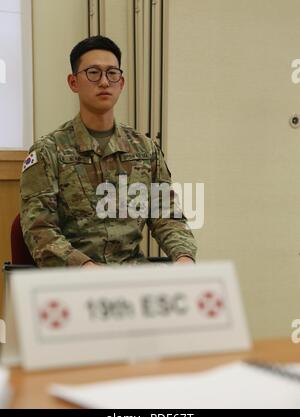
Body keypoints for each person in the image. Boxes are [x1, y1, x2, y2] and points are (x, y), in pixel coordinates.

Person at [20, 36, 197, 268]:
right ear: (73, 82)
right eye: (93, 72)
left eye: (112, 73)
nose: (104, 82)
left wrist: (184, 257)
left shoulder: (144, 149)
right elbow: (39, 230)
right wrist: (85, 267)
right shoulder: (48, 152)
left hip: (132, 278)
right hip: (73, 281)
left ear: (121, 83)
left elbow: (167, 215)